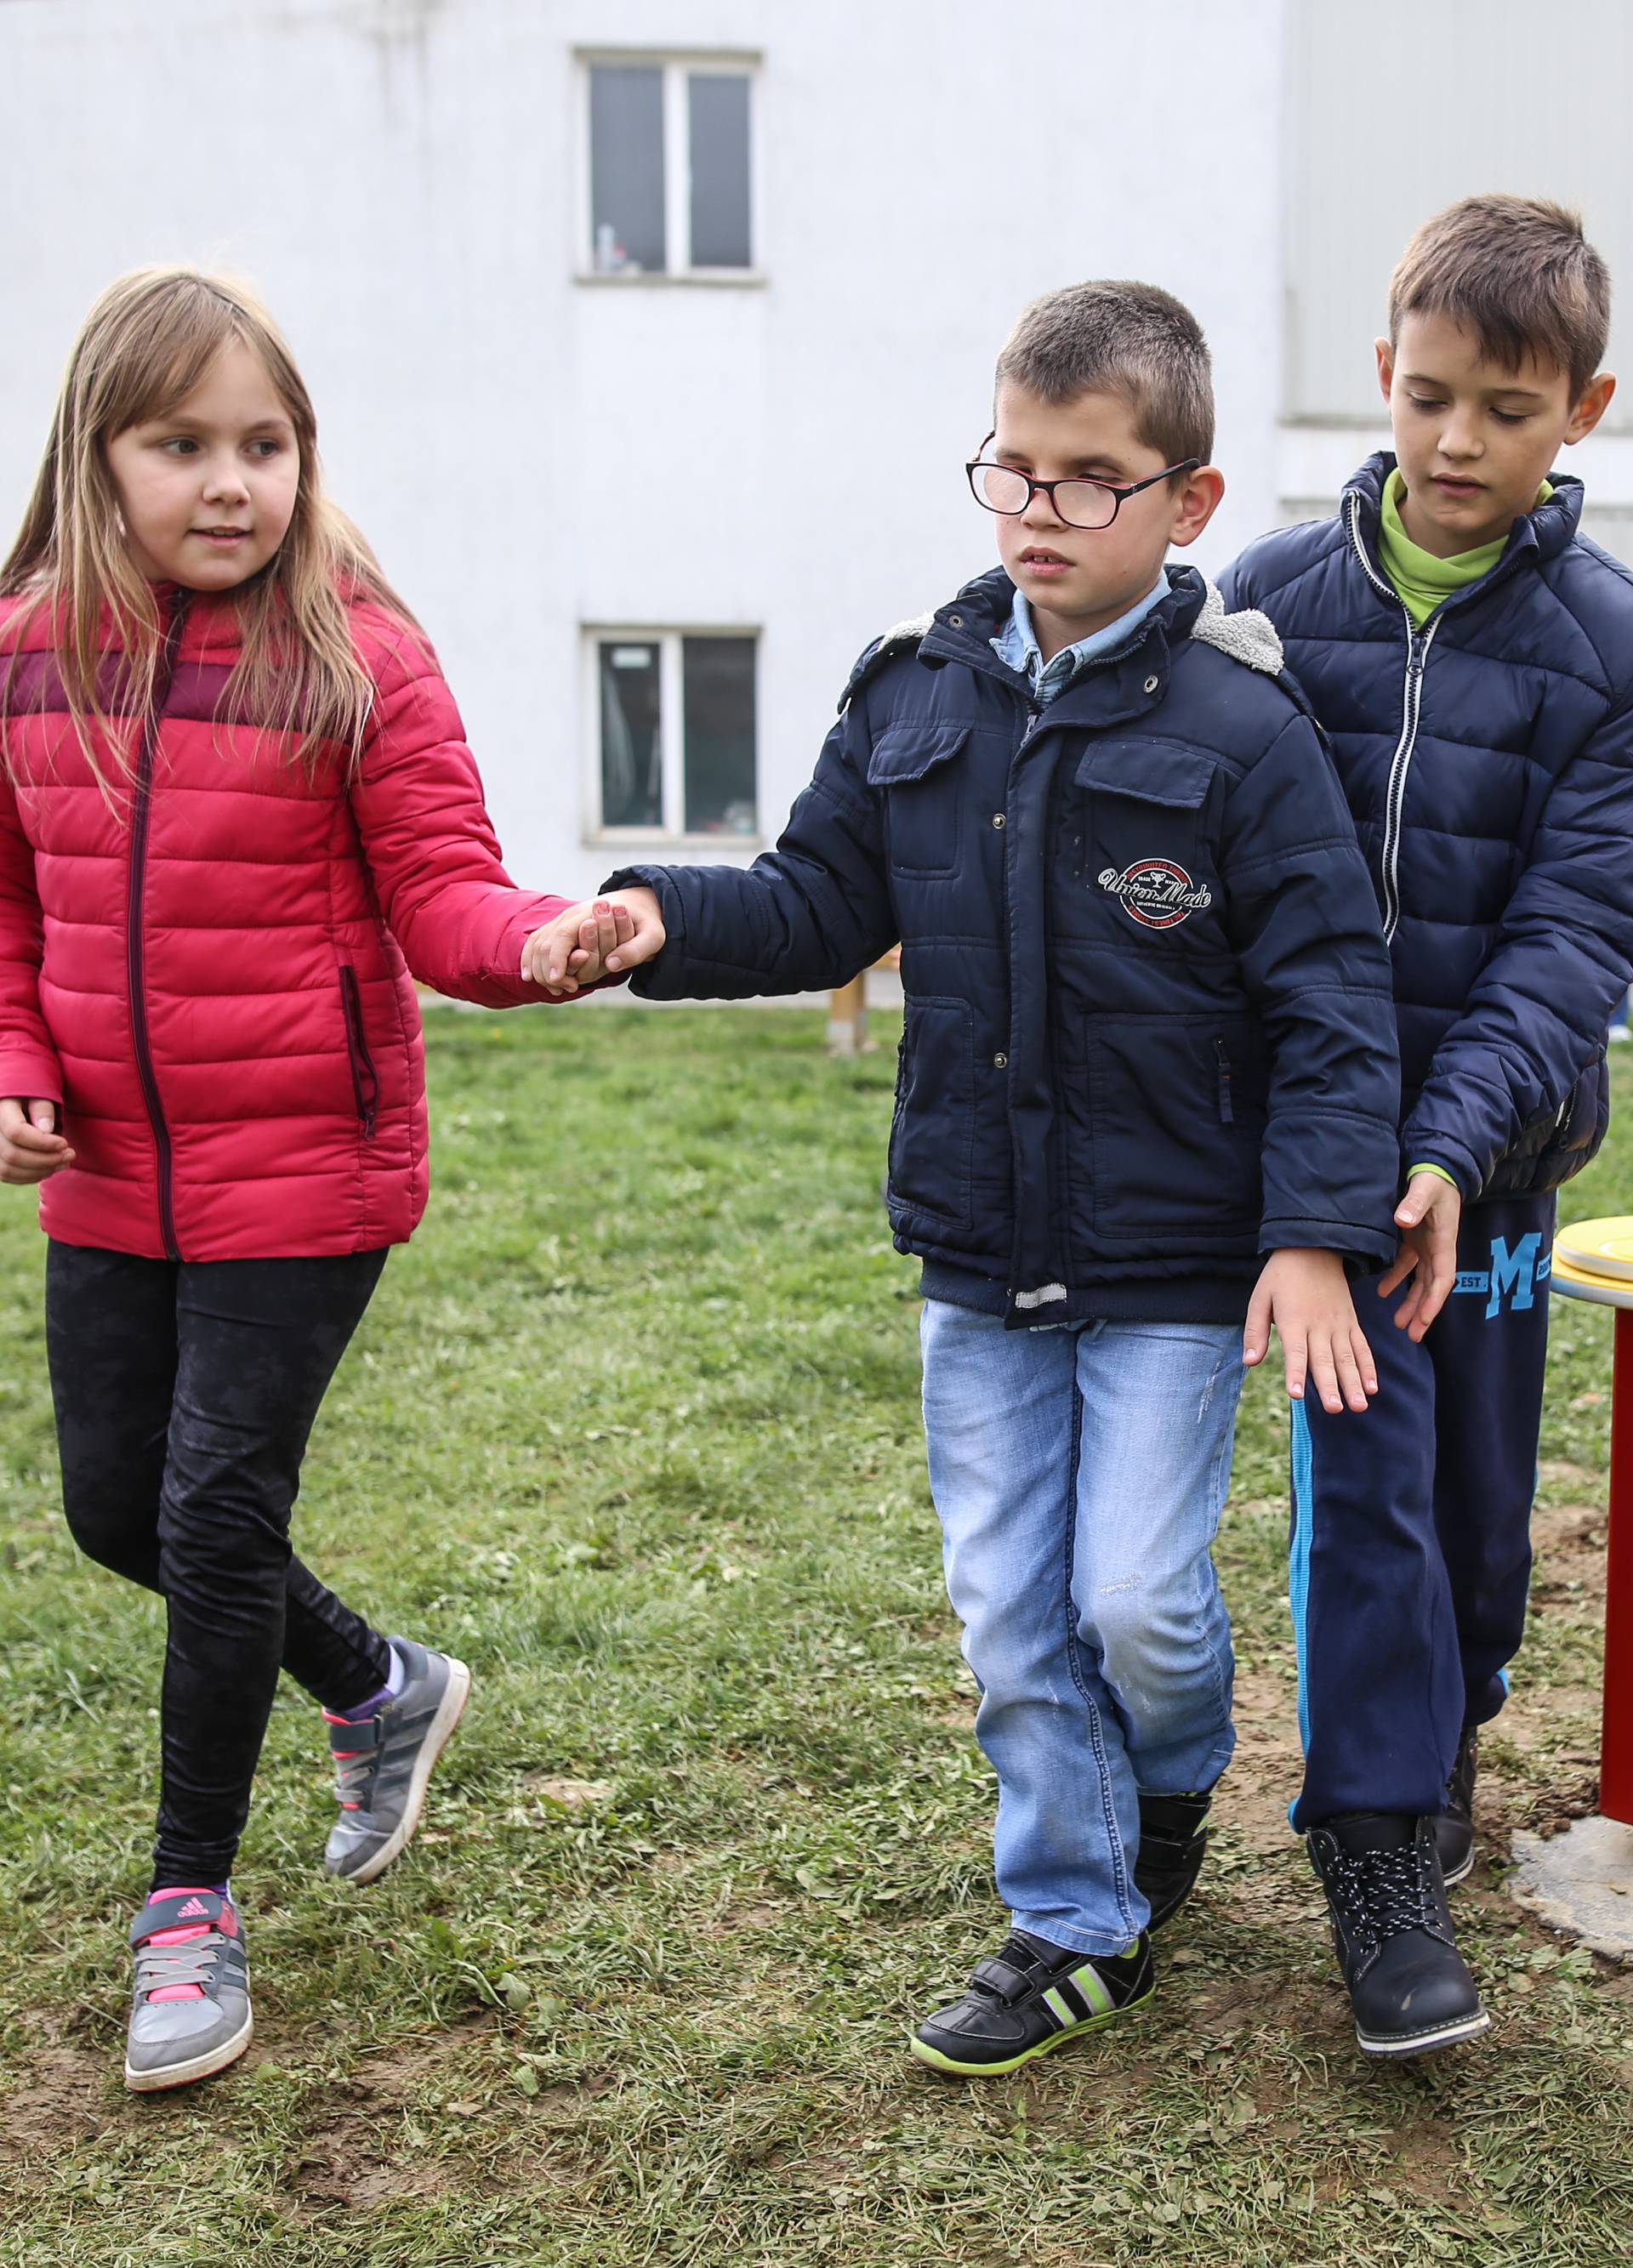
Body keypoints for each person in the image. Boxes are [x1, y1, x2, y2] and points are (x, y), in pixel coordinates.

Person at [526, 281, 1403, 2075]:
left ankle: (1166, 1784)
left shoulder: (1251, 739)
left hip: (1169, 1263)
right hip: (980, 1252)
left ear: (1190, 503)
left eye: (1094, 478)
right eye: (1015, 467)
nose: (1039, 513)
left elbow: (1333, 1004)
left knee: (1139, 1601)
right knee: (1012, 1609)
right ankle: (1079, 1917)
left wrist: (1311, 1235)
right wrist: (655, 916)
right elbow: (817, 898)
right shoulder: (914, 691)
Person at [0, 268, 623, 2093]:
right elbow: (10, 911)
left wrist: (540, 941)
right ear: (96, 454)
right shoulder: (25, 652)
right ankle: (377, 1682)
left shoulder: (353, 653)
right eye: (181, 443)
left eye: (263, 444)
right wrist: (18, 1065)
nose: (228, 482)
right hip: (112, 1170)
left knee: (206, 1519)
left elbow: (446, 885)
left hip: (310, 1165)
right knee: (119, 1511)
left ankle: (187, 1904)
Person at [1219, 195, 1633, 2056]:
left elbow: (1570, 939)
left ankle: (1444, 1717)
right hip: (1322, 1165)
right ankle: (1375, 1846)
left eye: (1510, 407)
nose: (1459, 441)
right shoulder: (1270, 609)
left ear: (1587, 411)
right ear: (1384, 373)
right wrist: (1345, 1153)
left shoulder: (1614, 648)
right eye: (1433, 393)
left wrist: (1455, 1146)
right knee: (1363, 1503)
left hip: (1505, 1164)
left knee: (1476, 1527)